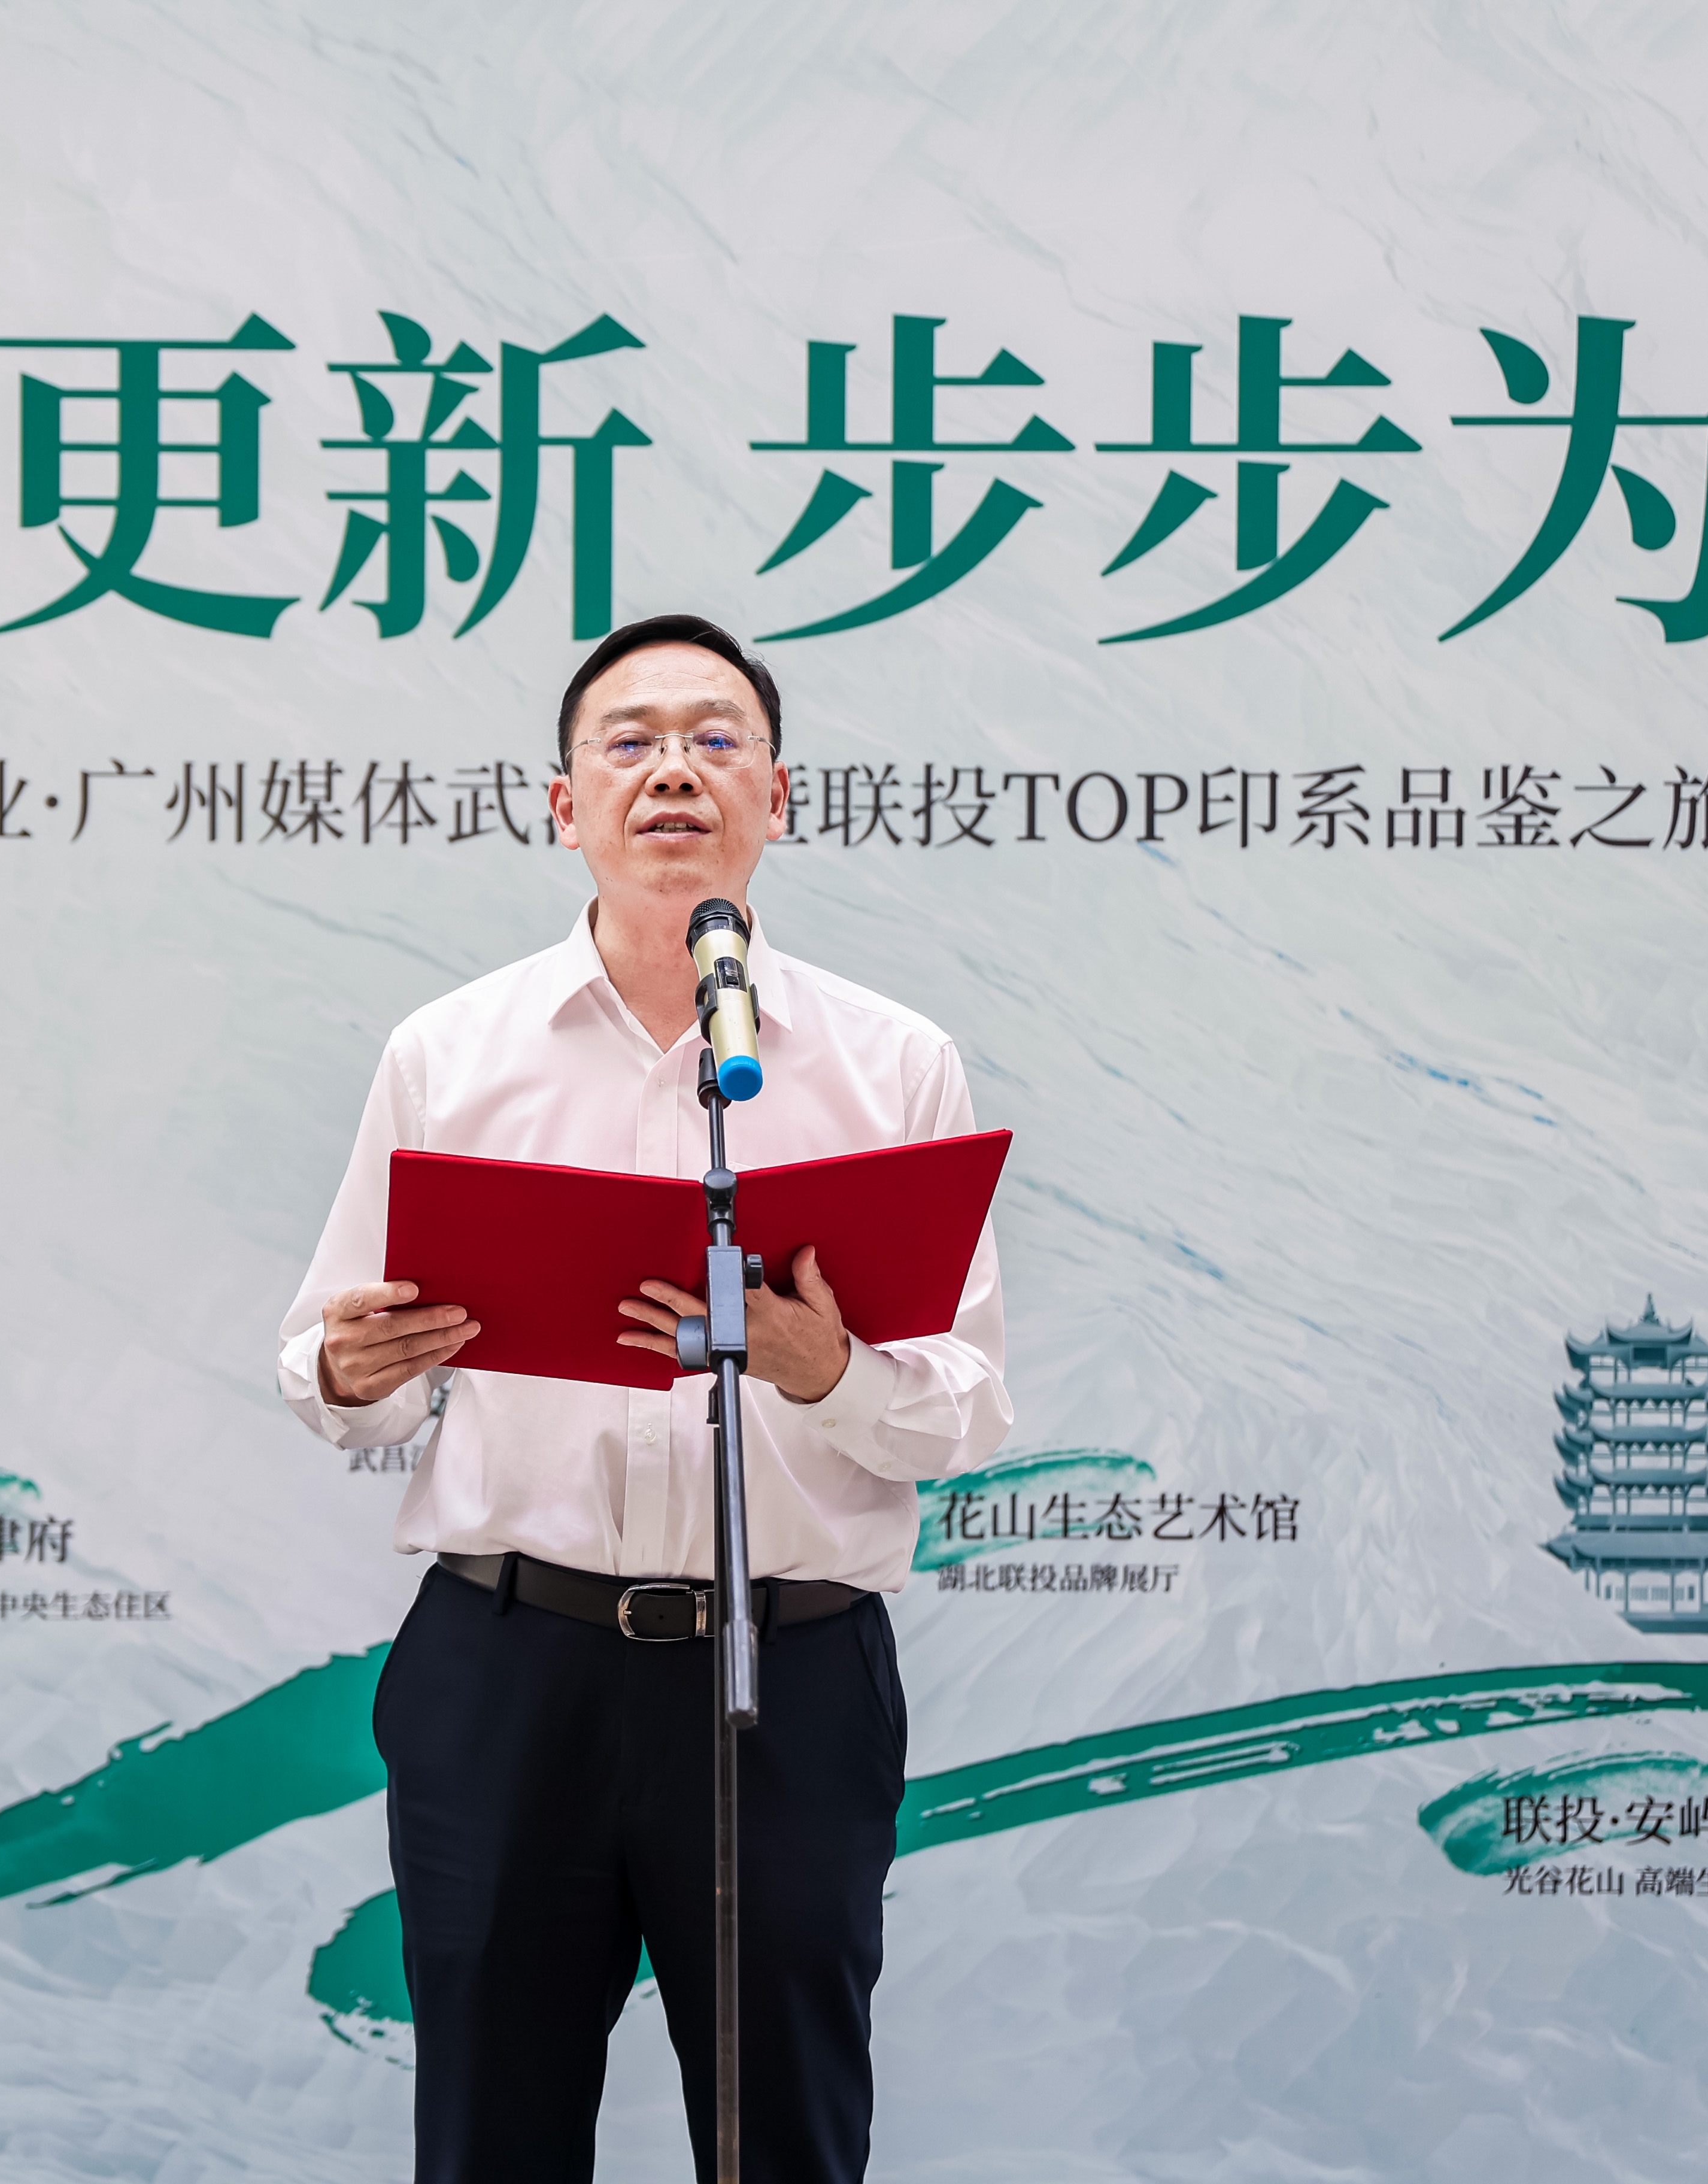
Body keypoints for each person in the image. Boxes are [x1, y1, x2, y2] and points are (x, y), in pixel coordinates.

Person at [277, 612, 1013, 2184]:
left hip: (787, 1678)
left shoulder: (891, 1064)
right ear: (566, 805)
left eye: (715, 738)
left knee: (787, 2139)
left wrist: (828, 1373)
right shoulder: (451, 1053)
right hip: (511, 1666)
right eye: (631, 742)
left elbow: (965, 1412)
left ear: (779, 796)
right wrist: (349, 1372)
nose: (674, 768)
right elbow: (335, 1372)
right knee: (492, 2138)